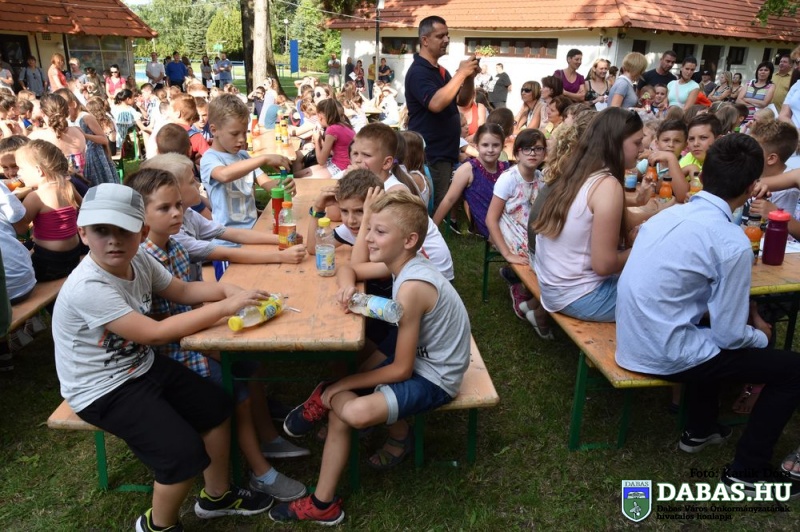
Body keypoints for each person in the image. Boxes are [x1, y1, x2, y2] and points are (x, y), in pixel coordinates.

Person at [52, 182, 276, 531]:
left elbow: (182, 290)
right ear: (83, 233)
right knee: (181, 456)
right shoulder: (88, 286)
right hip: (100, 389)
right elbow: (154, 333)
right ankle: (158, 526)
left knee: (218, 406)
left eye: (124, 230)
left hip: (140, 365)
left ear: (142, 233)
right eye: (101, 230)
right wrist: (225, 306)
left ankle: (216, 497)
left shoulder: (139, 259)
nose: (113, 240)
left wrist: (225, 289)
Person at [270, 190, 471, 525]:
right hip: (420, 358)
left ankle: (328, 392)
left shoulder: (412, 286)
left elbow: (402, 369)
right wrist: (350, 290)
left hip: (436, 376)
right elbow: (350, 268)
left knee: (354, 411)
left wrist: (342, 385)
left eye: (379, 231)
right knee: (342, 410)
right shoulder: (401, 263)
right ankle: (322, 503)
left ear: (408, 240)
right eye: (369, 229)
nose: (367, 237)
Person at [615, 134, 800, 497]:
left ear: (704, 174)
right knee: (792, 370)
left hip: (633, 338)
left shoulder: (668, 215)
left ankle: (700, 429)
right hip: (661, 351)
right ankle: (747, 471)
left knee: (707, 330)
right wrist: (761, 334)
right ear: (751, 188)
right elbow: (730, 336)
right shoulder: (731, 241)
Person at [533, 108, 644, 322]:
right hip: (579, 296)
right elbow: (604, 265)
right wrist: (643, 245)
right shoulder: (607, 185)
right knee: (664, 293)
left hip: (553, 287)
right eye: (637, 143)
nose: (642, 149)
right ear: (615, 143)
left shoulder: (578, 171)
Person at [200, 93, 295, 279]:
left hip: (254, 236)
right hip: (227, 245)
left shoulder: (244, 157)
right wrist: (263, 158)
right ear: (214, 130)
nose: (242, 139)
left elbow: (268, 185)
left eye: (245, 132)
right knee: (234, 287)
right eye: (235, 134)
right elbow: (224, 175)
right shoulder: (210, 159)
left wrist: (285, 186)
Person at [350, 123, 454, 280]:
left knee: (353, 272)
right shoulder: (372, 188)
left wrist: (366, 215)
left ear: (386, 163)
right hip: (407, 260)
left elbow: (356, 266)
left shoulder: (394, 193)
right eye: (355, 153)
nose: (358, 160)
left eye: (366, 155)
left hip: (430, 272)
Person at [406, 15, 479, 211]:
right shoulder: (418, 72)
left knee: (439, 206)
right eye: (440, 36)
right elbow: (436, 103)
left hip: (444, 153)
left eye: (447, 35)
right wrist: (461, 73)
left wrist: (469, 78)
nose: (446, 40)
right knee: (431, 209)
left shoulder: (441, 72)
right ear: (425, 40)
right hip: (431, 155)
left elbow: (461, 100)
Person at [485, 128, 552, 338]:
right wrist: (506, 253)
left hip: (531, 232)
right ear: (517, 153)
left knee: (556, 257)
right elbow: (491, 219)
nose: (532, 153)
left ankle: (533, 303)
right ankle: (525, 293)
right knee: (543, 263)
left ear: (544, 153)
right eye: (527, 149)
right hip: (511, 232)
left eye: (538, 149)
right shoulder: (509, 179)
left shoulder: (541, 178)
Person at [12, 140, 83, 281]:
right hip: (74, 254)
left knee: (14, 267)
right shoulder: (67, 186)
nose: (18, 173)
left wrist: (10, 205)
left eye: (21, 168)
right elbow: (85, 207)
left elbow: (20, 229)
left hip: (49, 262)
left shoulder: (36, 196)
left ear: (39, 171)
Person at [433, 123, 508, 236]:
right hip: (493, 228)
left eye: (496, 145)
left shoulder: (506, 168)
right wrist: (431, 230)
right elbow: (449, 200)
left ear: (502, 146)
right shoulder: (468, 170)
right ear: (476, 146)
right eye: (485, 145)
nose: (490, 150)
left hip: (511, 219)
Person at [55, 89, 116, 186]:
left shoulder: (86, 117)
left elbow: (104, 139)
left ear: (73, 104)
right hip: (79, 159)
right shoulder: (68, 120)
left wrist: (84, 135)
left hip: (94, 157)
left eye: (65, 108)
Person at [293, 98, 354, 179]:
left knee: (301, 180)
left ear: (320, 116)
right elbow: (334, 151)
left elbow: (321, 161)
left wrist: (316, 140)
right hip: (339, 162)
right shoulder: (345, 125)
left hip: (340, 167)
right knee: (296, 175)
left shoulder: (332, 129)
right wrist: (321, 140)